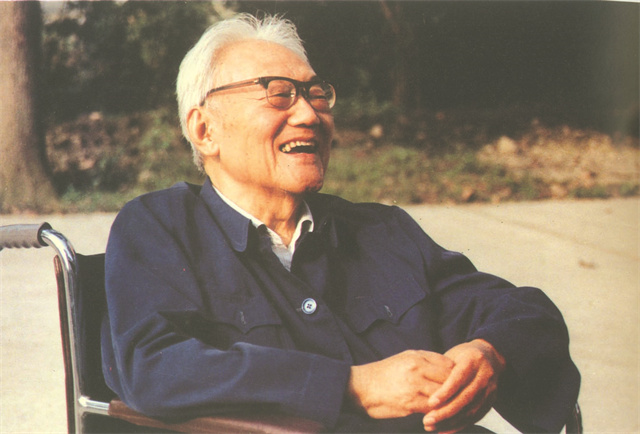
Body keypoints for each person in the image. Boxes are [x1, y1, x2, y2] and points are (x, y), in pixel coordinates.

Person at [101, 14, 580, 433]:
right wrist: (351, 386)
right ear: (205, 130)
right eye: (278, 95)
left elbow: (523, 312)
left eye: (316, 95)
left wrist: (488, 353)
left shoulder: (381, 230)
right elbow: (153, 366)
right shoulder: (160, 228)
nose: (309, 114)